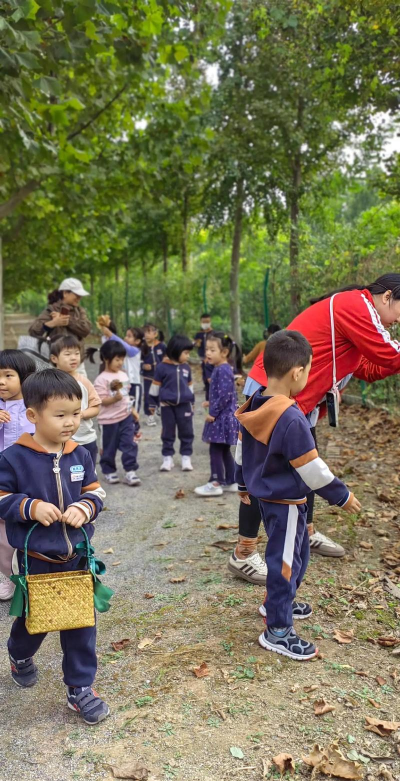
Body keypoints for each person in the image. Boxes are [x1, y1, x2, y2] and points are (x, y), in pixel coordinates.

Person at [228, 272, 400, 584]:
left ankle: (305, 532)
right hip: (275, 389)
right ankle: (244, 552)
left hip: (303, 400)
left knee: (306, 462)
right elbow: (387, 352)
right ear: (387, 297)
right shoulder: (357, 305)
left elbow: (373, 368)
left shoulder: (358, 325)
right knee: (262, 469)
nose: (395, 323)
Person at [235, 331, 361, 660]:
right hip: (286, 503)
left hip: (269, 499)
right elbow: (312, 469)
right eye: (308, 370)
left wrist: (242, 482)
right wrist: (342, 495)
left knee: (297, 555)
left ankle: (280, 600)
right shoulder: (291, 418)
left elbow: (241, 450)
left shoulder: (255, 402)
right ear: (297, 373)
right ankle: (277, 629)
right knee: (285, 564)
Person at [0, 369, 109, 724]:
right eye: (60, 415)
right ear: (32, 416)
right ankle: (19, 653)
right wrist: (28, 506)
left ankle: (80, 688)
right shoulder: (14, 457)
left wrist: (84, 507)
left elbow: (95, 492)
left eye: (75, 413)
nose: (70, 422)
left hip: (77, 556)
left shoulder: (79, 455)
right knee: (38, 620)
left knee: (80, 622)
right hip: (36, 559)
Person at [0, 350, 36, 601]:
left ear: (25, 378)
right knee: (2, 527)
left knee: (27, 521)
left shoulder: (35, 407)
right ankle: (7, 576)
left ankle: (32, 573)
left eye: (8, 375)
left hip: (29, 475)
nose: (1, 381)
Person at [195, 332, 240, 497]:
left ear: (224, 352)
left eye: (212, 350)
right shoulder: (222, 369)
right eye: (207, 349)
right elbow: (224, 394)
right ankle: (231, 480)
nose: (208, 353)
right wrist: (210, 402)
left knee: (215, 449)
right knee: (223, 449)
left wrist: (212, 412)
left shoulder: (222, 370)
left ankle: (216, 482)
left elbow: (225, 395)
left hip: (221, 418)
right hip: (225, 415)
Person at [94, 340, 140, 486]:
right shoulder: (101, 379)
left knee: (130, 443)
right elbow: (101, 400)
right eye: (117, 359)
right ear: (106, 359)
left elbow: (126, 396)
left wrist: (132, 410)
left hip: (125, 417)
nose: (120, 362)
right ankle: (108, 471)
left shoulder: (124, 375)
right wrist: (114, 399)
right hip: (109, 421)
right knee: (109, 447)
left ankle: (130, 471)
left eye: (122, 358)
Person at [49, 336, 101, 469]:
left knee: (87, 477)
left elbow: (95, 407)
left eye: (77, 353)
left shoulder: (83, 381)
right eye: (67, 354)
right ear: (54, 358)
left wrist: (80, 414)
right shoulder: (49, 383)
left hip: (85, 439)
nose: (73, 358)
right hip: (58, 440)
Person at [149, 334, 195, 472]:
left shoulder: (186, 367)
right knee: (167, 432)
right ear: (176, 350)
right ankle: (167, 457)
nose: (187, 356)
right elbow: (155, 387)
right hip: (167, 406)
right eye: (186, 353)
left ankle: (186, 457)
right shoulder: (162, 367)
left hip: (184, 405)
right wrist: (152, 404)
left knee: (187, 432)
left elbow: (190, 387)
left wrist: (192, 402)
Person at [29, 278, 92, 377]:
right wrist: (53, 323)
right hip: (57, 363)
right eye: (77, 295)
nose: (79, 298)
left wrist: (68, 321)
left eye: (80, 296)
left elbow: (86, 330)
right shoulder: (51, 310)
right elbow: (33, 331)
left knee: (82, 389)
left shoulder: (80, 311)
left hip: (77, 363)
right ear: (65, 293)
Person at [100, 324, 144, 413]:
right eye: (126, 335)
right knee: (123, 407)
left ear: (137, 341)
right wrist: (107, 336)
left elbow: (123, 344)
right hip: (124, 383)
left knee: (133, 410)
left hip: (134, 384)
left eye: (129, 336)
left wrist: (111, 334)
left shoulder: (135, 351)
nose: (126, 338)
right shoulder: (124, 351)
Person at [141, 323, 167, 426]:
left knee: (160, 394)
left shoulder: (161, 346)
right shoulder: (143, 347)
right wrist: (143, 366)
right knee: (148, 396)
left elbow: (166, 357)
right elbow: (138, 361)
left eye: (149, 332)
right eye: (145, 332)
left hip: (160, 377)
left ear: (155, 334)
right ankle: (149, 416)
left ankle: (158, 407)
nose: (146, 334)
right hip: (148, 377)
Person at [194, 313, 214, 397]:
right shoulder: (199, 333)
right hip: (203, 357)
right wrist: (196, 343)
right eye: (204, 322)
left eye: (207, 321)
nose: (205, 324)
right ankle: (207, 387)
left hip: (212, 357)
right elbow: (195, 343)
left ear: (210, 321)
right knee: (205, 373)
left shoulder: (213, 332)